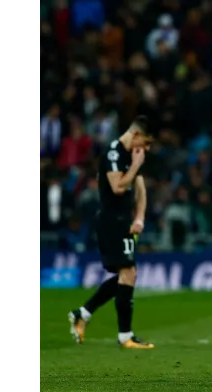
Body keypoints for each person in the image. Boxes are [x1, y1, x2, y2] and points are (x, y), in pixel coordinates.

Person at [67, 115, 155, 349]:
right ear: (135, 135)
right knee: (128, 273)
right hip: (110, 221)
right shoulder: (114, 153)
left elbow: (139, 187)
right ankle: (124, 336)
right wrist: (135, 165)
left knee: (128, 275)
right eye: (145, 143)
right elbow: (117, 187)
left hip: (124, 220)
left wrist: (139, 217)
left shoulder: (130, 154)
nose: (144, 150)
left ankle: (83, 313)